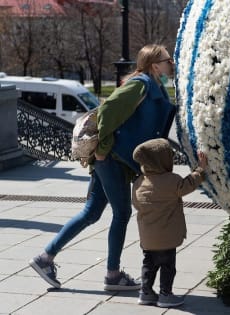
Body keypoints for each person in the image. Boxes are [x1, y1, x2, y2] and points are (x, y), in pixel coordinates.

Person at [29, 44, 176, 291]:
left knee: (91, 212)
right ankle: (112, 275)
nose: (171, 63)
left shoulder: (153, 86)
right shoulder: (140, 84)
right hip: (113, 158)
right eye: (167, 60)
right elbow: (108, 109)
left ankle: (44, 259)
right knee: (122, 214)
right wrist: (103, 147)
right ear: (154, 65)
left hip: (114, 159)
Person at [132, 138, 207, 308]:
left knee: (148, 265)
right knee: (167, 266)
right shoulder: (172, 180)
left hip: (148, 238)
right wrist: (200, 170)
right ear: (162, 160)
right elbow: (188, 184)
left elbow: (136, 204)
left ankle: (146, 293)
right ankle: (165, 294)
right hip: (166, 238)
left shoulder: (139, 182)